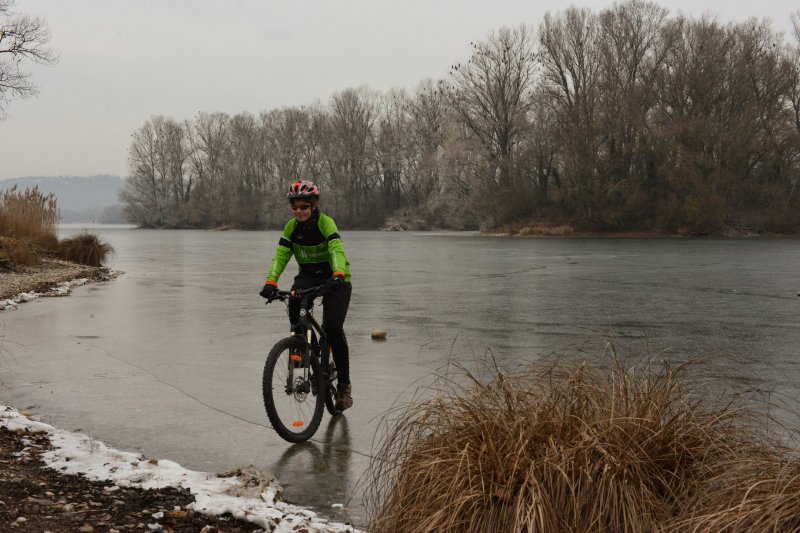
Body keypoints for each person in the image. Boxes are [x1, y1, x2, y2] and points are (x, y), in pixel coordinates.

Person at [260, 179, 354, 410]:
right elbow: (280, 256)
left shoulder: (325, 223)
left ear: (313, 205)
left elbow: (336, 250)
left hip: (336, 277)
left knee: (332, 328)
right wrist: (271, 281)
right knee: (293, 299)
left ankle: (343, 386)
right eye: (295, 207)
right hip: (310, 275)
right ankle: (301, 347)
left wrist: (339, 273)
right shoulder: (291, 228)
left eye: (304, 207)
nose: (299, 212)